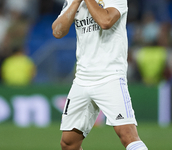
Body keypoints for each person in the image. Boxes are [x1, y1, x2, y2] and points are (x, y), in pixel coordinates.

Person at [52, 0, 148, 150]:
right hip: (82, 79)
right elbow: (58, 31)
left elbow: (105, 21)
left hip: (110, 76)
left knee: (127, 136)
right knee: (68, 143)